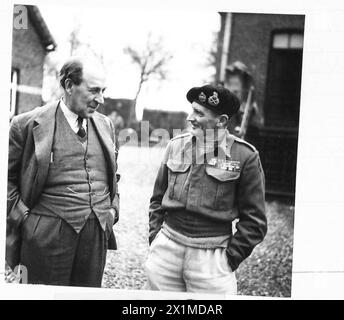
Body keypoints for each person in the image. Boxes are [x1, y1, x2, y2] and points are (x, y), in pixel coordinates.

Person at [6, 56, 120, 287]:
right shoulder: (25, 125)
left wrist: (112, 211)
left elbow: (113, 176)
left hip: (96, 233)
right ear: (69, 85)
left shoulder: (106, 125)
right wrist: (26, 219)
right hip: (45, 235)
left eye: (103, 91)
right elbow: (6, 180)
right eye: (94, 90)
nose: (101, 99)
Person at [145, 84, 267, 294]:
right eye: (192, 110)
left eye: (199, 113)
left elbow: (255, 221)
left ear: (221, 121)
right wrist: (156, 237)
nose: (190, 118)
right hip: (166, 250)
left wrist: (229, 259)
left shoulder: (245, 156)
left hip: (212, 259)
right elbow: (157, 199)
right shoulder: (175, 146)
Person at [224, 61, 262, 141]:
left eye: (237, 84)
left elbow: (257, 127)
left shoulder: (251, 108)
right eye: (231, 84)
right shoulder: (224, 108)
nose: (234, 89)